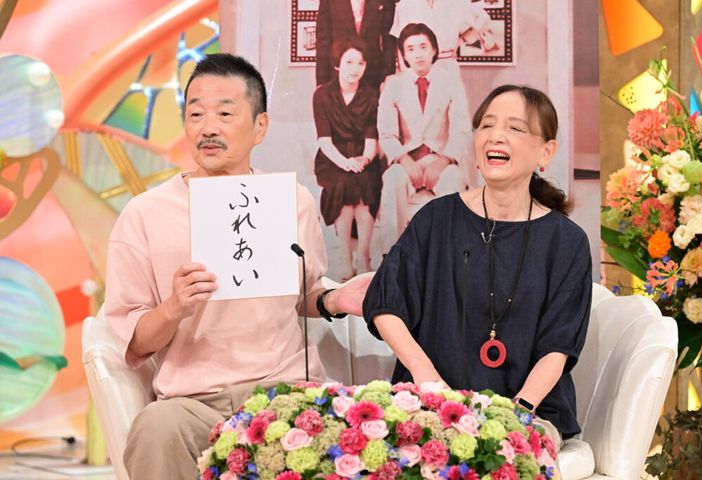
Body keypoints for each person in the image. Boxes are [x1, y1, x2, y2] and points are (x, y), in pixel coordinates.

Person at [104, 53, 371, 478]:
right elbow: (133, 344)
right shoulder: (145, 213)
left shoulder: (292, 201)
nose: (208, 127)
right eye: (196, 114)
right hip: (191, 404)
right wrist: (174, 307)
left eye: (225, 114)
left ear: (260, 126)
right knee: (155, 428)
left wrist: (335, 299)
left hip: (283, 393)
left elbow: (302, 295)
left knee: (349, 434)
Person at [363, 85, 593, 452]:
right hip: (431, 405)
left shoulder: (567, 242)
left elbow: (559, 346)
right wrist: (430, 384)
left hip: (531, 411)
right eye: (486, 125)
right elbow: (385, 305)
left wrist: (517, 416)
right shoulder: (436, 219)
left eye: (515, 128)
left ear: (546, 152)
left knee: (509, 456)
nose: (495, 136)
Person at [377, 22, 472, 253]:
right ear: (403, 55)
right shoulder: (394, 85)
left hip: (440, 158)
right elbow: (386, 134)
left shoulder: (450, 82)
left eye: (423, 47)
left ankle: (448, 256)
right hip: (406, 160)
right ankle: (393, 256)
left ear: (434, 50)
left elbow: (461, 129)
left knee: (454, 179)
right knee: (393, 179)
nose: (418, 54)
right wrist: (403, 160)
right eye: (410, 49)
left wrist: (444, 160)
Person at [313, 38, 382, 280]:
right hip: (332, 158)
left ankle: (363, 255)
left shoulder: (372, 95)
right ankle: (344, 256)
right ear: (337, 64)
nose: (355, 69)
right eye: (349, 62)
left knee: (366, 181)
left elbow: (372, 137)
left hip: (364, 156)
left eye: (361, 63)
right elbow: (324, 140)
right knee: (342, 182)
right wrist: (346, 162)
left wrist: (365, 159)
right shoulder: (322, 95)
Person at [315, 0, 396, 88]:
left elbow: (389, 41)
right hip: (338, 75)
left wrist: (387, 79)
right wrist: (322, 81)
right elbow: (323, 40)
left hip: (373, 75)